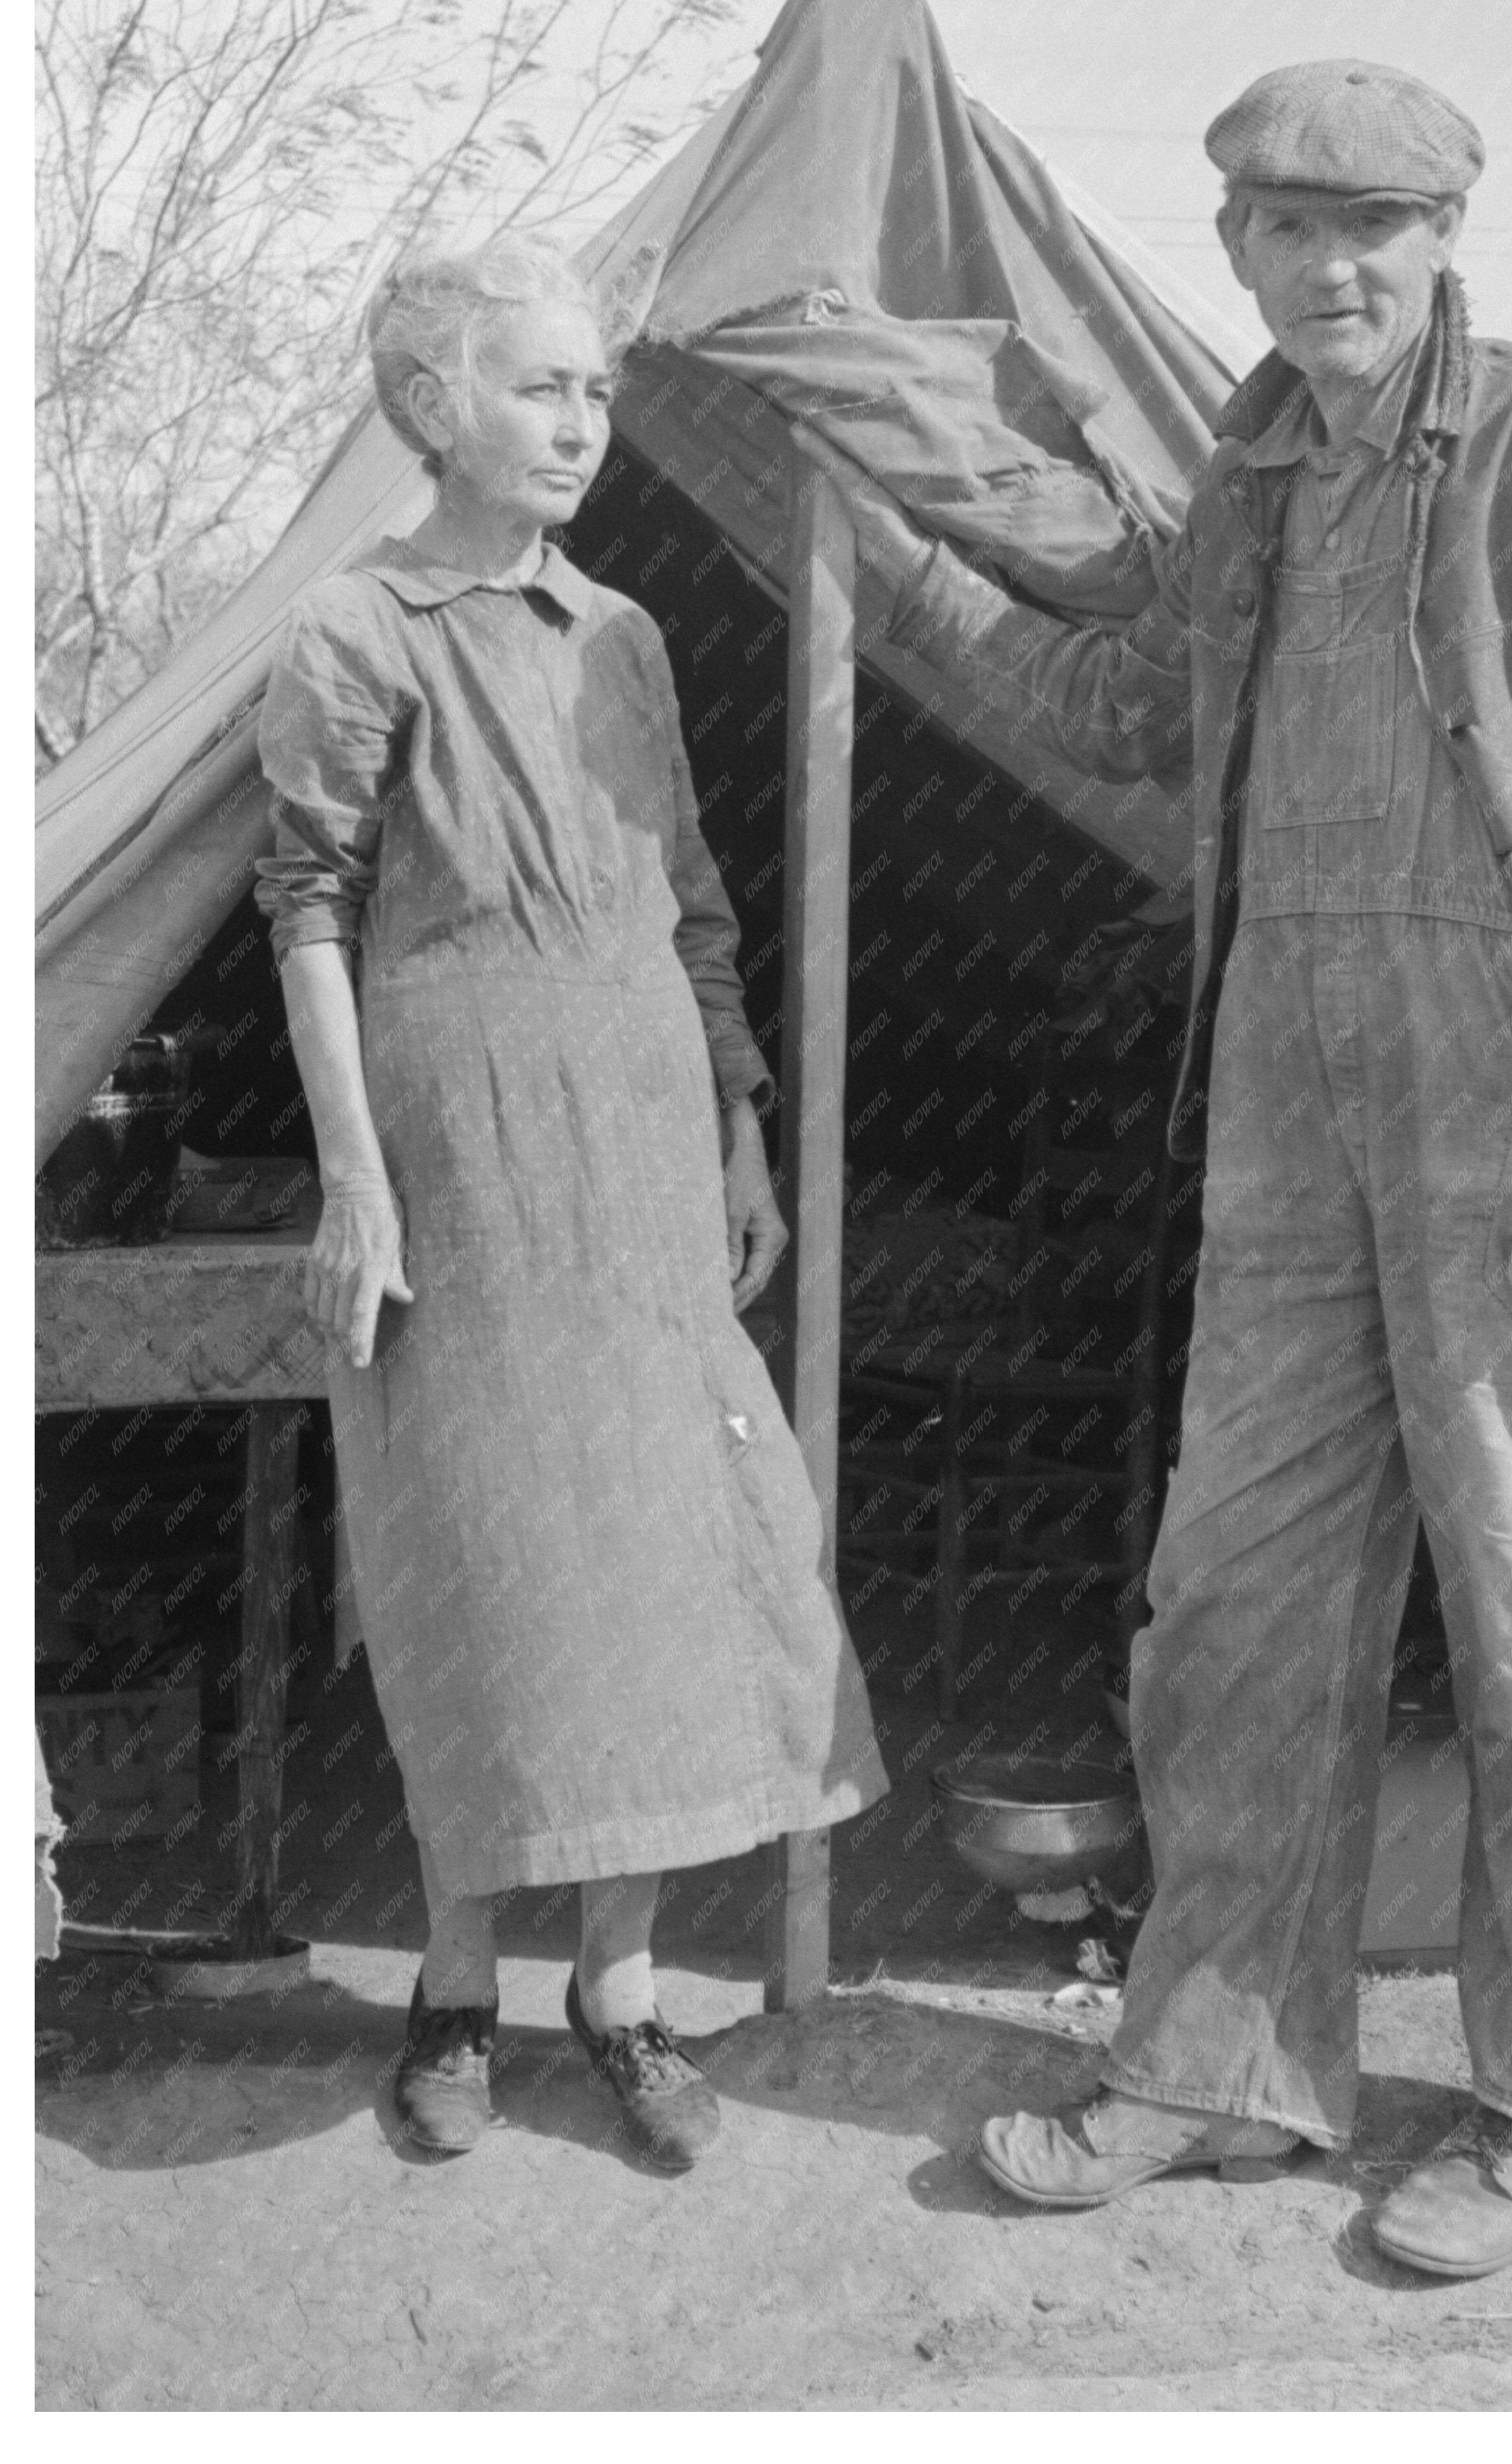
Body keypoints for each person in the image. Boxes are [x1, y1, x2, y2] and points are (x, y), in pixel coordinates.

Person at [835, 61, 1512, 2275]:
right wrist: (877, 563)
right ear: (1237, 248)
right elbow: (1120, 707)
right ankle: (1223, 2066)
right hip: (1285, 1105)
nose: (1333, 268)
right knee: (1234, 1607)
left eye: (1378, 228)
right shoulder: (1253, 483)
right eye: (1289, 228)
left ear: (1447, 235)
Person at [256, 235, 886, 2164]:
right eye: (544, 387)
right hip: (457, 1128)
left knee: (669, 1558)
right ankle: (456, 1990)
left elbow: (694, 907)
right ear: (437, 405)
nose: (582, 422)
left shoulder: (626, 633)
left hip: (639, 1129)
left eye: (598, 393)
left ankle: (621, 1992)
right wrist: (360, 1180)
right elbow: (308, 912)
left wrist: (743, 1132)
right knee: (479, 1551)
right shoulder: (354, 630)